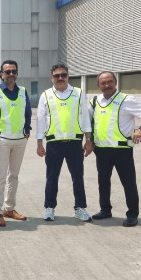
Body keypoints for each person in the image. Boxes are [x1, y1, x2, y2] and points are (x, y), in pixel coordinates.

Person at [91, 71, 141, 227]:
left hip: (122, 150)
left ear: (115, 82)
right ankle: (105, 210)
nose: (107, 85)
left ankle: (132, 214)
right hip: (102, 150)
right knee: (103, 182)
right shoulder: (95, 101)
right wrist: (89, 141)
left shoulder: (126, 100)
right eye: (103, 83)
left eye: (110, 82)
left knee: (128, 183)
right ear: (98, 85)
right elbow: (90, 122)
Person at [36, 62, 94, 222]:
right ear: (51, 78)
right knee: (51, 177)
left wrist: (88, 140)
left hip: (74, 143)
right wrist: (39, 143)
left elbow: (85, 118)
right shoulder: (46, 95)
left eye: (63, 75)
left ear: (68, 76)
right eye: (57, 76)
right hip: (53, 143)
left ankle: (80, 208)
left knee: (78, 177)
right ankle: (49, 208)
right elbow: (40, 120)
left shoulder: (78, 93)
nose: (60, 78)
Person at [0, 60, 32, 227]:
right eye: (7, 72)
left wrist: (27, 129)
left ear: (17, 74)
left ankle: (9, 208)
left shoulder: (23, 91)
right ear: (1, 74)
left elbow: (27, 113)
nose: (11, 74)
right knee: (1, 176)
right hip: (2, 140)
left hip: (20, 140)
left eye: (13, 71)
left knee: (14, 175)